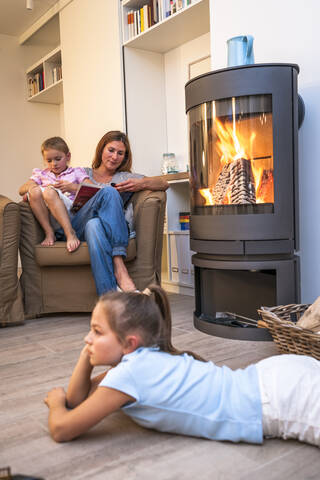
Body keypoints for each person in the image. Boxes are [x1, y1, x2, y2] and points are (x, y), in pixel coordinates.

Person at [44, 285, 320, 447]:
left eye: (95, 331)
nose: (87, 338)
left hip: (278, 401)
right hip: (274, 377)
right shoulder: (140, 362)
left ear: (129, 343)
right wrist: (88, 352)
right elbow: (80, 397)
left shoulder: (130, 374)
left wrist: (57, 403)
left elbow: (63, 427)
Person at [55, 130, 168, 294]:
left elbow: (163, 183)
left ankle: (109, 299)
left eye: (120, 153)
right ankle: (119, 265)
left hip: (96, 230)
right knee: (109, 192)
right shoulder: (81, 173)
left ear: (125, 157)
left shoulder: (124, 177)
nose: (115, 157)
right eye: (111, 150)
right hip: (76, 226)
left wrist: (140, 184)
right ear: (101, 150)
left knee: (95, 225)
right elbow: (46, 186)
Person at [19, 136, 90, 252]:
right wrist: (34, 189)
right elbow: (21, 189)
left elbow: (93, 189)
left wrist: (72, 187)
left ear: (68, 156)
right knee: (35, 191)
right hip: (50, 215)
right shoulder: (41, 174)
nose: (54, 164)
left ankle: (70, 233)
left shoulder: (76, 172)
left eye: (58, 159)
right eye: (49, 160)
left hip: (72, 211)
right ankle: (49, 232)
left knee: (49, 192)